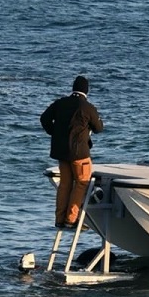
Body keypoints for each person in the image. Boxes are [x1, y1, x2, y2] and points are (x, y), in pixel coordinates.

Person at [40, 75, 104, 228]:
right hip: (80, 153)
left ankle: (59, 219)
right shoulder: (87, 107)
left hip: (62, 153)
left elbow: (44, 118)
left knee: (65, 185)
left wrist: (53, 132)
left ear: (73, 88)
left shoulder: (60, 103)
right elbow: (99, 128)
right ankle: (71, 219)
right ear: (86, 91)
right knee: (82, 183)